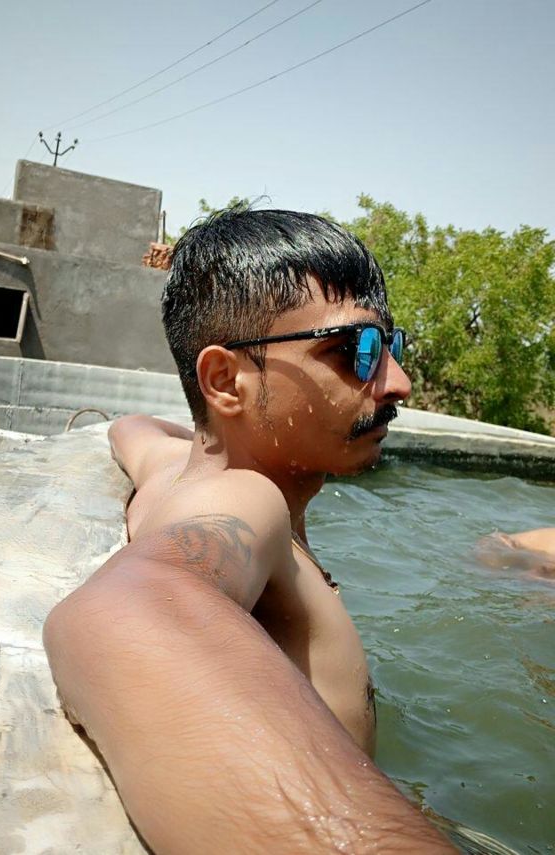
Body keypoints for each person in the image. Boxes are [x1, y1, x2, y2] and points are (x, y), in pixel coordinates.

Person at [43, 209, 456, 853]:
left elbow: (135, 430)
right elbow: (134, 607)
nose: (398, 384)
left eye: (390, 346)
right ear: (224, 380)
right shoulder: (246, 498)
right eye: (355, 351)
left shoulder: (173, 472)